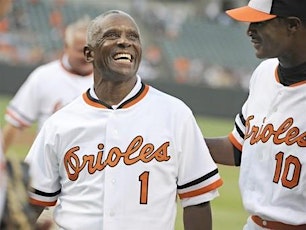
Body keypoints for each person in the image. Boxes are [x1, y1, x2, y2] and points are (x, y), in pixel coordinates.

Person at [25, 10, 223, 230]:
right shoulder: (60, 123)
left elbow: (197, 201)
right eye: (111, 35)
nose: (124, 42)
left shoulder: (175, 114)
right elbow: (31, 203)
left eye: (133, 37)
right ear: (89, 54)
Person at [204, 0, 306, 229]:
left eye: (259, 22)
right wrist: (178, 143)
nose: (249, 30)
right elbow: (238, 148)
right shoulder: (264, 74)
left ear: (292, 25)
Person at [2, 15, 93, 154]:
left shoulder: (110, 81)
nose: (87, 55)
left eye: (92, 50)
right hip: (47, 169)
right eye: (81, 50)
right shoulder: (44, 76)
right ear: (66, 47)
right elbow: (15, 124)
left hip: (91, 169)